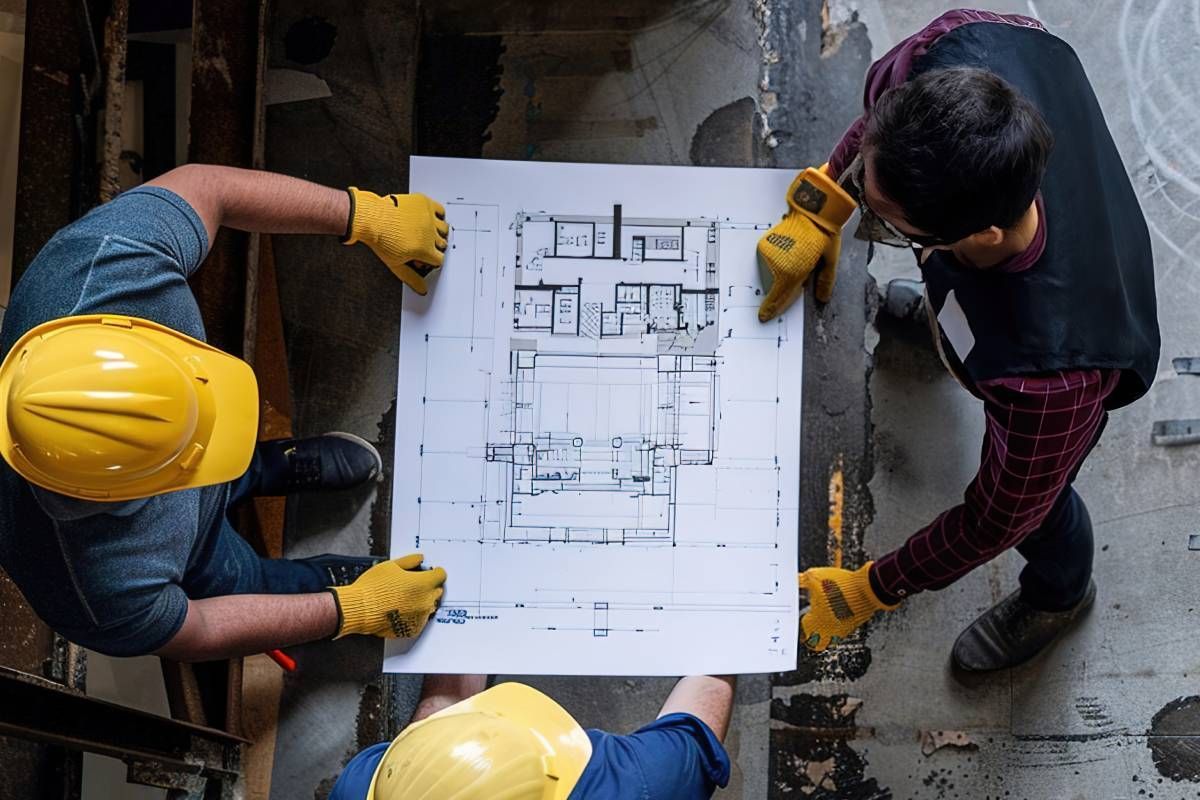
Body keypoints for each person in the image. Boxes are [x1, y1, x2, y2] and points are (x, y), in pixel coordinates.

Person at [757, 10, 1159, 671]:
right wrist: (825, 198)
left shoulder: (1047, 382)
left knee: (1042, 508)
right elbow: (882, 131)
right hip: (988, 297)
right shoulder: (958, 47)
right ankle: (948, 333)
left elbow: (994, 520)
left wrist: (877, 585)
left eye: (888, 225)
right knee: (951, 299)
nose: (868, 212)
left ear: (984, 236)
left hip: (1067, 344)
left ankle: (1060, 594)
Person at [0, 165, 453, 660]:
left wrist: (362, 215)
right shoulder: (96, 591)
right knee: (243, 579)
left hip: (162, 498)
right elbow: (200, 629)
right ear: (107, 495)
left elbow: (209, 189)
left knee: (236, 469)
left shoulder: (102, 267)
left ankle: (260, 468)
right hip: (195, 552)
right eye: (189, 458)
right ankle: (323, 586)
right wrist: (351, 610)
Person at [329, 673, 734, 799]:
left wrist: (468, 617)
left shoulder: (364, 785)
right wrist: (746, 615)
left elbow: (431, 739)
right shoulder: (636, 786)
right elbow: (695, 721)